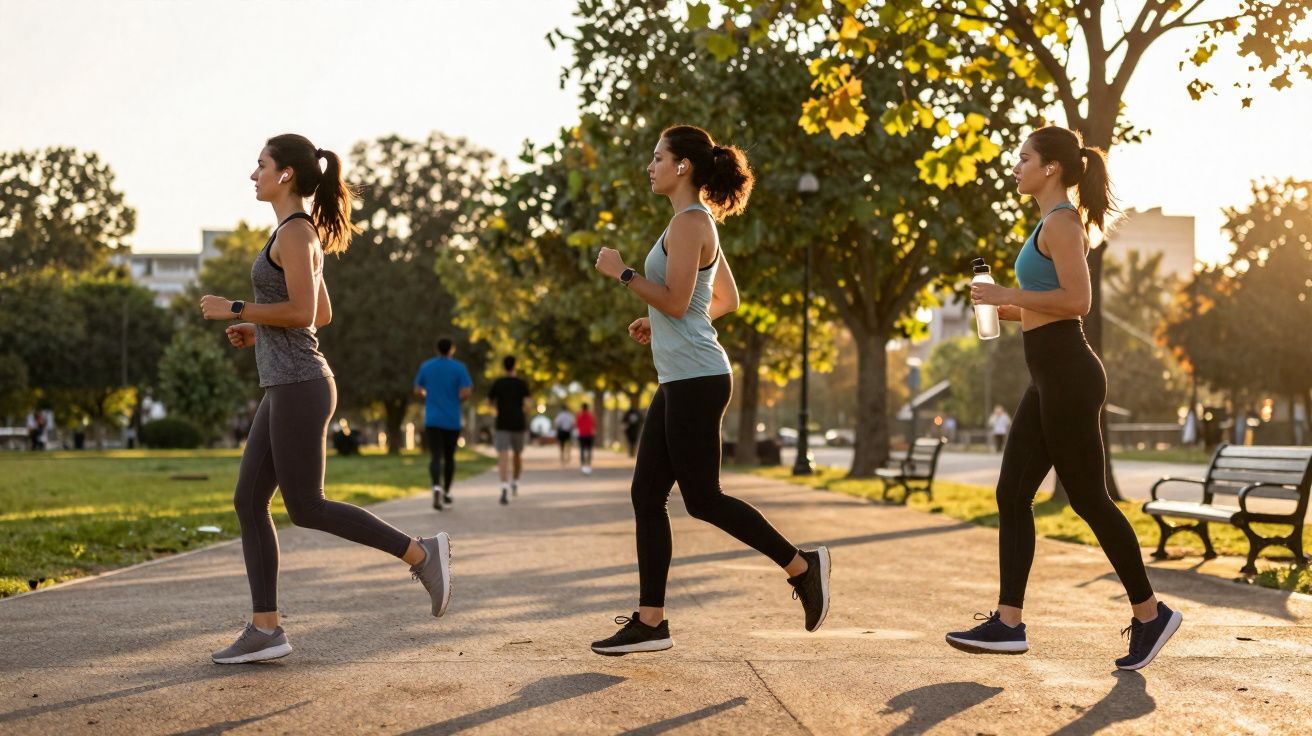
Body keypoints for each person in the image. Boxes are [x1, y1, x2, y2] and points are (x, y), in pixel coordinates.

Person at [201, 134, 451, 665]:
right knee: (249, 501)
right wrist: (258, 330)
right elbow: (321, 314)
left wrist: (236, 308)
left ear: (285, 174)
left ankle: (420, 553)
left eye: (261, 165)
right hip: (287, 383)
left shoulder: (296, 232)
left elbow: (301, 312)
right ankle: (265, 629)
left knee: (306, 506)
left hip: (300, 384)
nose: (253, 175)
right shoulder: (294, 231)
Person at [590, 124, 830, 656]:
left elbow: (678, 302)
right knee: (646, 496)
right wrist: (658, 319)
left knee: (704, 499)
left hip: (696, 379)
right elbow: (723, 299)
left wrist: (623, 274)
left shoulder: (691, 223)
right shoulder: (692, 223)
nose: (650, 166)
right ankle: (650, 622)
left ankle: (802, 566)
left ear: (683, 166)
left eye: (658, 157)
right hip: (682, 377)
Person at [953, 125, 1181, 670]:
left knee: (1089, 499)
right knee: (1012, 493)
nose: (1016, 167)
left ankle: (1151, 615)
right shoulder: (1047, 223)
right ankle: (1008, 623)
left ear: (1050, 167)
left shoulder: (1062, 223)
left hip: (1069, 375)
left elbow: (1078, 301)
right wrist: (1007, 310)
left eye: (1023, 158)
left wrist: (1007, 292)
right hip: (1048, 376)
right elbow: (1047, 303)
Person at [414, 337, 473, 510]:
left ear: (437, 349)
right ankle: (446, 492)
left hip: (432, 419)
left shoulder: (426, 366)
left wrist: (428, 396)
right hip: (452, 419)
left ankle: (436, 487)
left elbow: (417, 389)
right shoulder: (459, 367)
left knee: (435, 456)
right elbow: (466, 391)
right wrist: (456, 400)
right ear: (452, 350)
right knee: (449, 457)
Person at [487, 355, 532, 505]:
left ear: (503, 366)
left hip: (502, 423)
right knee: (517, 454)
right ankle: (516, 481)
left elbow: (488, 402)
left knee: (503, 454)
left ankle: (504, 485)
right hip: (518, 423)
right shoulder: (521, 384)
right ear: (515, 366)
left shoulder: (498, 383)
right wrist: (524, 410)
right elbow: (527, 405)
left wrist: (496, 410)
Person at [577, 402, 596, 474]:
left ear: (582, 408)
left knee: (582, 449)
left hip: (582, 434)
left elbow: (577, 425)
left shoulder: (579, 415)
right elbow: (594, 424)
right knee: (589, 449)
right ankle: (589, 463)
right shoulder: (591, 415)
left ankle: (582, 464)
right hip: (589, 434)